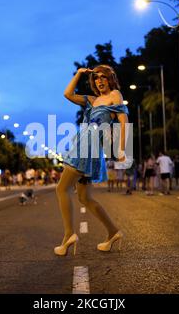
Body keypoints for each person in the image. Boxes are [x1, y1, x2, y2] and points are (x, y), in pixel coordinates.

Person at [55, 65, 128, 256]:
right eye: (96, 78)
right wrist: (79, 73)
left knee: (62, 189)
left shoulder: (115, 95)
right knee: (84, 197)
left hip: (89, 146)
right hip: (86, 144)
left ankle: (69, 235)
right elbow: (68, 94)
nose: (100, 81)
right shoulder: (92, 100)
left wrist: (121, 148)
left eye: (103, 77)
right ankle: (113, 232)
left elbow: (123, 122)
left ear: (110, 79)